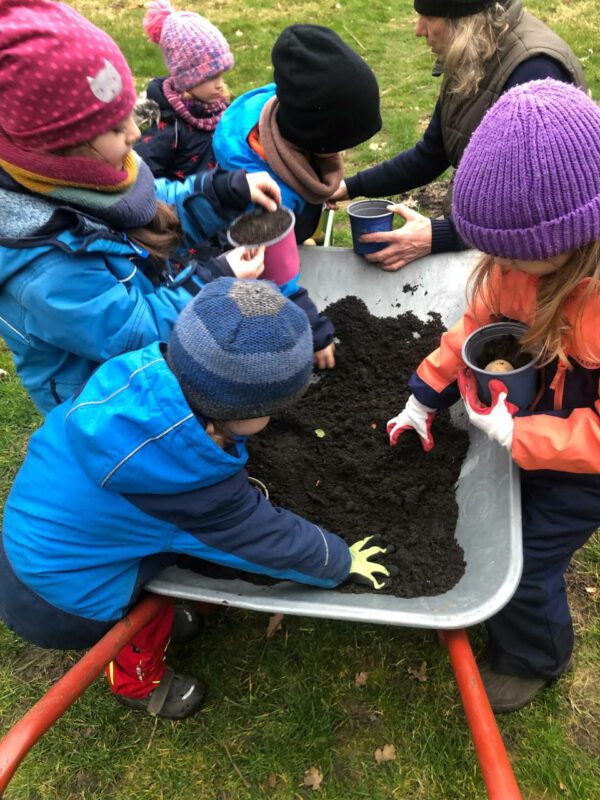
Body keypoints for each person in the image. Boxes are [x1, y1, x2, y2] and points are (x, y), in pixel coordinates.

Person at [0, 278, 396, 720]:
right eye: (271, 410)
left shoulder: (135, 373)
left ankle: (163, 619)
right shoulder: (189, 486)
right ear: (239, 413)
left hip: (28, 541)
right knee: (146, 617)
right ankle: (138, 682)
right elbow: (265, 540)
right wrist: (340, 560)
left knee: (149, 552)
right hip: (62, 600)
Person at [387, 80, 600, 712]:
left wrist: (525, 437)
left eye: (513, 255)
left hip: (585, 470)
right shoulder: (516, 268)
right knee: (509, 523)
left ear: (572, 240)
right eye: (494, 252)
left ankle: (536, 656)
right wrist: (425, 393)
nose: (498, 266)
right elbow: (474, 329)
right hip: (538, 422)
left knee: (529, 565)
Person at [0, 0, 279, 415]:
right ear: (57, 150)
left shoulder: (87, 175)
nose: (135, 132)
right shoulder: (44, 263)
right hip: (106, 403)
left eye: (128, 114)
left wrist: (221, 193)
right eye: (113, 128)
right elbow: (128, 333)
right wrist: (210, 281)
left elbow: (150, 205)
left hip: (153, 358)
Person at [330, 0, 585, 271]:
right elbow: (432, 153)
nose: (418, 30)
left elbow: (534, 211)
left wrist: (439, 235)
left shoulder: (532, 71)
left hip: (538, 265)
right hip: (486, 237)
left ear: (462, 20)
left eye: (428, 18)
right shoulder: (472, 49)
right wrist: (349, 187)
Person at [213, 24, 382, 369]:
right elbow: (274, 275)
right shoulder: (265, 196)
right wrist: (316, 332)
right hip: (250, 269)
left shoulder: (280, 110)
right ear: (315, 138)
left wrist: (316, 193)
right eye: (342, 141)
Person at [134, 0, 233, 180]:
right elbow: (142, 177)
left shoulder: (224, 110)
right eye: (211, 77)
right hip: (183, 204)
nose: (220, 84)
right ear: (186, 81)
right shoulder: (170, 128)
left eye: (221, 75)